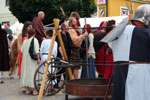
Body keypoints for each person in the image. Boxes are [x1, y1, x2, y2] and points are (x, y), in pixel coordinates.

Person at [111, 4, 150, 100]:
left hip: (119, 71)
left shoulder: (118, 31)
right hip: (140, 72)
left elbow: (109, 45)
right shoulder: (146, 33)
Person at [20, 28, 40, 95]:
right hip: (32, 60)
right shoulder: (35, 40)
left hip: (25, 60)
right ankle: (34, 90)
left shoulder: (25, 41)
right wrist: (38, 59)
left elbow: (22, 51)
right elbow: (37, 50)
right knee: (33, 74)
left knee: (26, 74)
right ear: (34, 34)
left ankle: (27, 90)